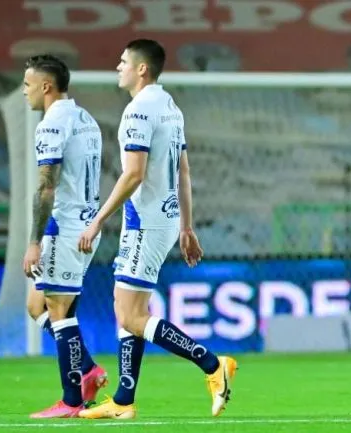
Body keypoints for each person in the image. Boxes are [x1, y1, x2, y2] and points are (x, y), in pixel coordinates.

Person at [76, 39, 236, 420]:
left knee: (130, 316)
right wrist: (187, 226)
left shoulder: (138, 112)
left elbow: (134, 173)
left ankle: (214, 365)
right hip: (162, 220)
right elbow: (183, 171)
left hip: (145, 224)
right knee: (130, 310)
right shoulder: (170, 108)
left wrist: (98, 220)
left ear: (141, 69)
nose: (118, 67)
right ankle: (123, 401)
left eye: (123, 61)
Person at [21, 54, 106, 418]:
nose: (24, 92)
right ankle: (87, 368)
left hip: (67, 227)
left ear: (45, 86)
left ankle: (72, 401)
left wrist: (34, 242)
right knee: (36, 305)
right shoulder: (85, 118)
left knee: (59, 311)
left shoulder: (51, 124)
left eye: (27, 85)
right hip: (83, 224)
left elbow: (46, 188)